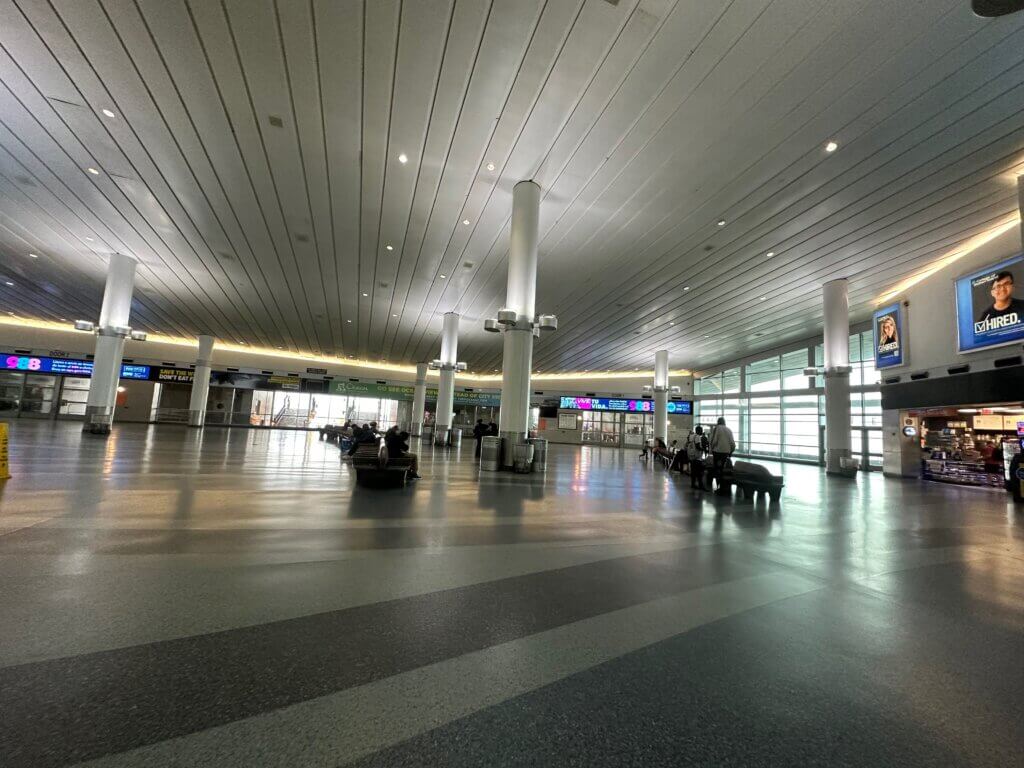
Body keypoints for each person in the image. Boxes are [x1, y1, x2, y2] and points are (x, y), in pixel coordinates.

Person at [708, 417, 736, 491]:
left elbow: (714, 441)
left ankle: (718, 486)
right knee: (724, 469)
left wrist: (711, 449)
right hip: (726, 453)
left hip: (717, 452)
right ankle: (723, 486)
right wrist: (730, 452)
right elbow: (733, 444)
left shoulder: (717, 429)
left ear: (718, 422)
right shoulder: (729, 430)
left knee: (717, 469)